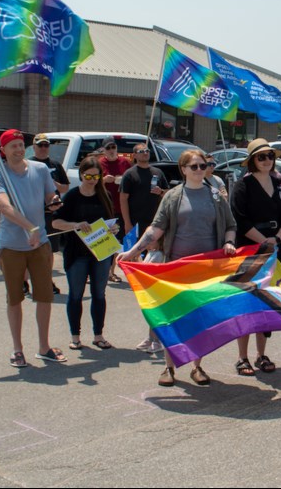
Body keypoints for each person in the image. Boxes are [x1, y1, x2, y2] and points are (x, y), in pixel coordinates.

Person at [118, 150, 237, 386]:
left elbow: (231, 225)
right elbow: (156, 228)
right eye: (194, 166)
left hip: (206, 269)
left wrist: (229, 241)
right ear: (183, 169)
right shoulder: (172, 196)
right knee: (174, 318)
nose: (200, 170)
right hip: (176, 268)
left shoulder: (215, 196)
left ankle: (197, 367)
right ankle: (168, 367)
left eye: (203, 166)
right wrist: (132, 252)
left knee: (200, 319)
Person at [0, 129, 66, 368]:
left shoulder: (40, 169)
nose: (19, 149)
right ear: (3, 150)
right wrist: (29, 227)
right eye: (13, 145)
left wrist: (54, 203)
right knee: (15, 298)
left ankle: (44, 347)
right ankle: (17, 349)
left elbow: (50, 197)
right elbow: (4, 206)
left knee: (44, 296)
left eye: (21, 145)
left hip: (40, 244)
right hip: (12, 245)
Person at [230, 139, 281, 376]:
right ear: (251, 162)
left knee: (268, 303)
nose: (267, 160)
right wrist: (263, 241)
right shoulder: (242, 186)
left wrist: (276, 240)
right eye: (261, 157)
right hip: (250, 249)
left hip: (276, 249)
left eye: (270, 156)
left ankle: (261, 354)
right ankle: (242, 357)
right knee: (247, 303)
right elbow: (240, 220)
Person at [52, 156, 117, 352]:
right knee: (76, 295)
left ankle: (98, 335)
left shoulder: (105, 195)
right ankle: (75, 336)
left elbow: (112, 221)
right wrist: (75, 225)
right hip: (77, 253)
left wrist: (114, 229)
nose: (92, 179)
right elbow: (56, 223)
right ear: (81, 175)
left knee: (99, 294)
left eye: (96, 176)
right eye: (88, 175)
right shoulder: (72, 196)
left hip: (101, 252)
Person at [119, 142, 167, 289]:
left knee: (154, 250)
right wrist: (127, 222)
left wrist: (161, 191)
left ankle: (149, 280)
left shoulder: (157, 172)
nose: (145, 153)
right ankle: (135, 279)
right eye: (141, 151)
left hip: (154, 220)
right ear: (134, 155)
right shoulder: (130, 174)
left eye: (147, 150)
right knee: (134, 251)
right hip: (135, 219)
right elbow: (123, 198)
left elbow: (168, 194)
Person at [32, 133, 69, 296]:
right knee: (32, 249)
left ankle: (47, 280)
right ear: (34, 147)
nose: (43, 148)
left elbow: (65, 188)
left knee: (50, 251)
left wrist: (52, 182)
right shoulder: (28, 164)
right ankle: (26, 281)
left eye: (46, 145)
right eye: (40, 145)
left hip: (51, 214)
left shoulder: (55, 165)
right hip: (32, 214)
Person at [100, 137, 133, 282]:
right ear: (103, 150)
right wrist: (103, 180)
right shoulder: (100, 163)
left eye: (113, 147)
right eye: (108, 148)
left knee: (115, 241)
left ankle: (110, 272)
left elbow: (132, 178)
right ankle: (97, 271)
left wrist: (123, 179)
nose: (112, 150)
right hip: (104, 206)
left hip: (120, 207)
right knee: (103, 241)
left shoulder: (125, 162)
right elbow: (90, 181)